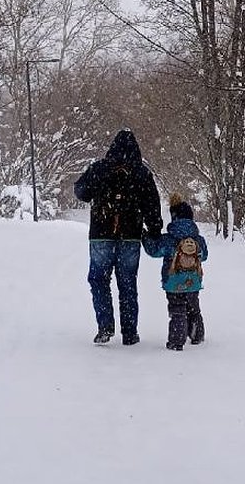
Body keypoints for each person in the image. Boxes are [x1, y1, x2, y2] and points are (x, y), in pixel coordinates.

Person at [74, 129, 162, 345]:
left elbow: (81, 192)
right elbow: (152, 205)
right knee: (128, 282)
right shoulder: (141, 173)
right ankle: (130, 333)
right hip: (130, 235)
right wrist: (154, 230)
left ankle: (105, 326)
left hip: (101, 234)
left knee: (98, 279)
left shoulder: (99, 168)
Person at [142, 193, 208, 351]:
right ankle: (197, 335)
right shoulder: (198, 239)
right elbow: (204, 256)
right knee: (194, 308)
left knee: (177, 310)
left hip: (173, 283)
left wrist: (145, 236)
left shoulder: (169, 239)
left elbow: (153, 251)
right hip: (193, 282)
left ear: (174, 217)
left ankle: (176, 342)